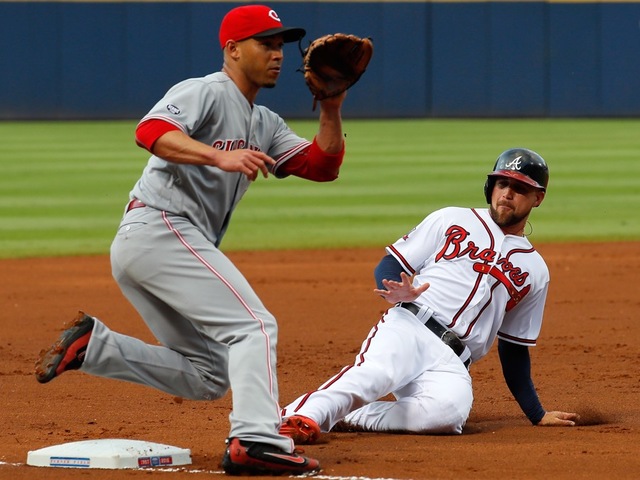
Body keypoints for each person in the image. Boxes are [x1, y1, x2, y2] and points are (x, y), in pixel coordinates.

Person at [34, 4, 348, 476]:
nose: (278, 54)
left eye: (281, 45)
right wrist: (216, 158)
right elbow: (151, 131)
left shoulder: (264, 122)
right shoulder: (205, 91)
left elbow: (322, 167)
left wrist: (331, 106)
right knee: (254, 327)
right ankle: (257, 440)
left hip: (153, 245)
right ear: (233, 49)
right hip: (160, 227)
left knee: (208, 375)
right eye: (266, 43)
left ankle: (95, 347)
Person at [279, 148, 580, 445]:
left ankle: (345, 415)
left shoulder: (535, 270)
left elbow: (513, 348)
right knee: (376, 374)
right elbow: (391, 263)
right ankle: (302, 415)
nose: (507, 194)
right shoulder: (451, 219)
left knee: (446, 415)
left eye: (520, 188)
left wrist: (536, 413)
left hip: (453, 359)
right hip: (410, 325)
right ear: (491, 186)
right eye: (503, 184)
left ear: (537, 198)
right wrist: (397, 288)